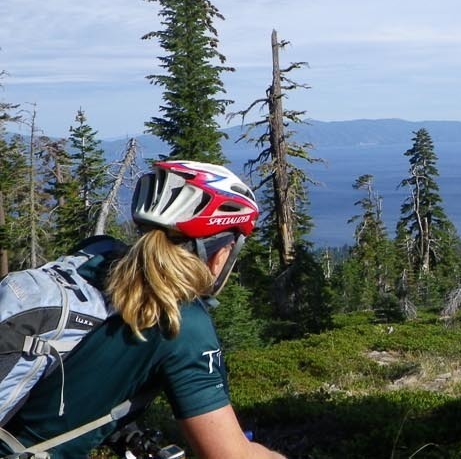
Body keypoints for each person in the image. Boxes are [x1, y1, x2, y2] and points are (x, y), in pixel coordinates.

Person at [4, 161, 285, 458]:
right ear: (221, 255)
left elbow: (84, 365)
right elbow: (230, 455)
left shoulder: (96, 256)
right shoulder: (182, 323)